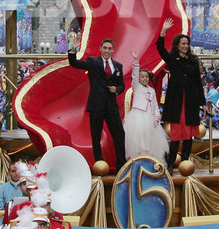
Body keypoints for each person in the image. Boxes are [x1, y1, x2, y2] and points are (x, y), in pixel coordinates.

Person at [67, 37, 127, 170]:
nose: (107, 51)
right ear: (100, 49)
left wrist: (116, 89)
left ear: (113, 50)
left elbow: (122, 85)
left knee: (119, 134)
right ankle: (100, 163)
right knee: (96, 135)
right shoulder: (92, 61)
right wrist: (73, 49)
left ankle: (121, 164)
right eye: (104, 48)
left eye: (109, 48)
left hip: (111, 105)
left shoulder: (118, 66)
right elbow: (74, 63)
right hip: (96, 104)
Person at [156, 18, 206, 171]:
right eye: (182, 43)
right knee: (176, 133)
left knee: (190, 133)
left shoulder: (193, 60)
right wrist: (163, 32)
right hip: (177, 99)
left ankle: (185, 161)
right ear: (177, 45)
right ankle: (171, 163)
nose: (185, 46)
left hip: (190, 99)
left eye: (187, 44)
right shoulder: (172, 59)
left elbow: (198, 81)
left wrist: (202, 102)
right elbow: (160, 48)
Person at [123, 54, 168, 161]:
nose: (144, 79)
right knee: (138, 137)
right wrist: (136, 63)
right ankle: (138, 158)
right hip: (138, 116)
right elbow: (134, 76)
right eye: (142, 77)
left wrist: (157, 116)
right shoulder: (136, 87)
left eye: (146, 77)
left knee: (151, 138)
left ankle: (149, 158)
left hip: (150, 116)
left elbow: (155, 105)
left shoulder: (152, 90)